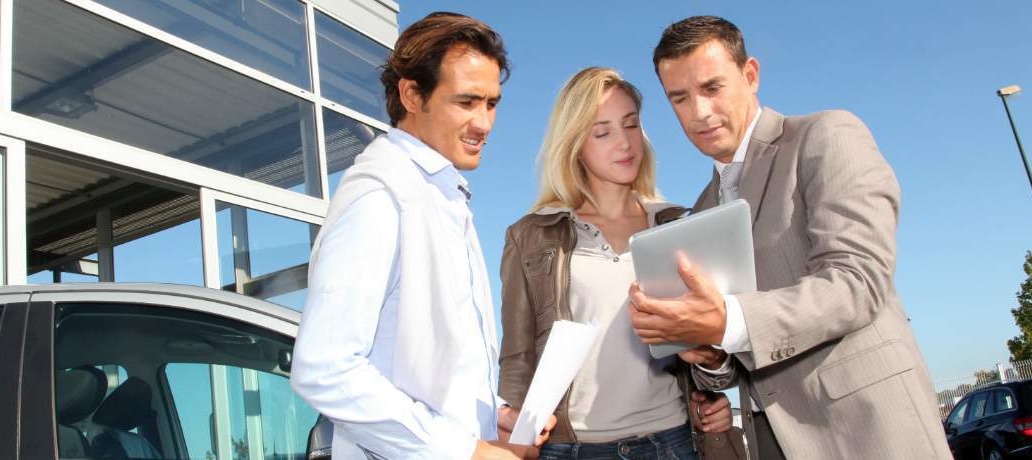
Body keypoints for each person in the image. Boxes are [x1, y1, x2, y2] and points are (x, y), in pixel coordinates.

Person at [628, 16, 952, 459]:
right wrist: (709, 355)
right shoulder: (698, 213)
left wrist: (727, 322)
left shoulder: (826, 136)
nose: (698, 112)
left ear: (751, 74)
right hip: (770, 443)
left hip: (869, 433)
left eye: (712, 88)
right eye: (680, 98)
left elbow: (858, 282)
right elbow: (735, 362)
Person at [289, 11, 553, 460]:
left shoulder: (440, 195)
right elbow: (324, 367)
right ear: (412, 94)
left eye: (492, 104)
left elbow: (432, 371)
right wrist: (465, 451)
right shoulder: (381, 196)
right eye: (466, 102)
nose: (485, 123)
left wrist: (494, 416)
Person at [499, 67, 735, 460]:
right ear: (574, 143)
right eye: (603, 132)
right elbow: (517, 358)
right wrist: (517, 428)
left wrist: (711, 380)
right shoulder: (530, 236)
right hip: (570, 449)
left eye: (631, 126)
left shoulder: (677, 226)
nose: (625, 143)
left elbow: (717, 353)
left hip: (671, 441)